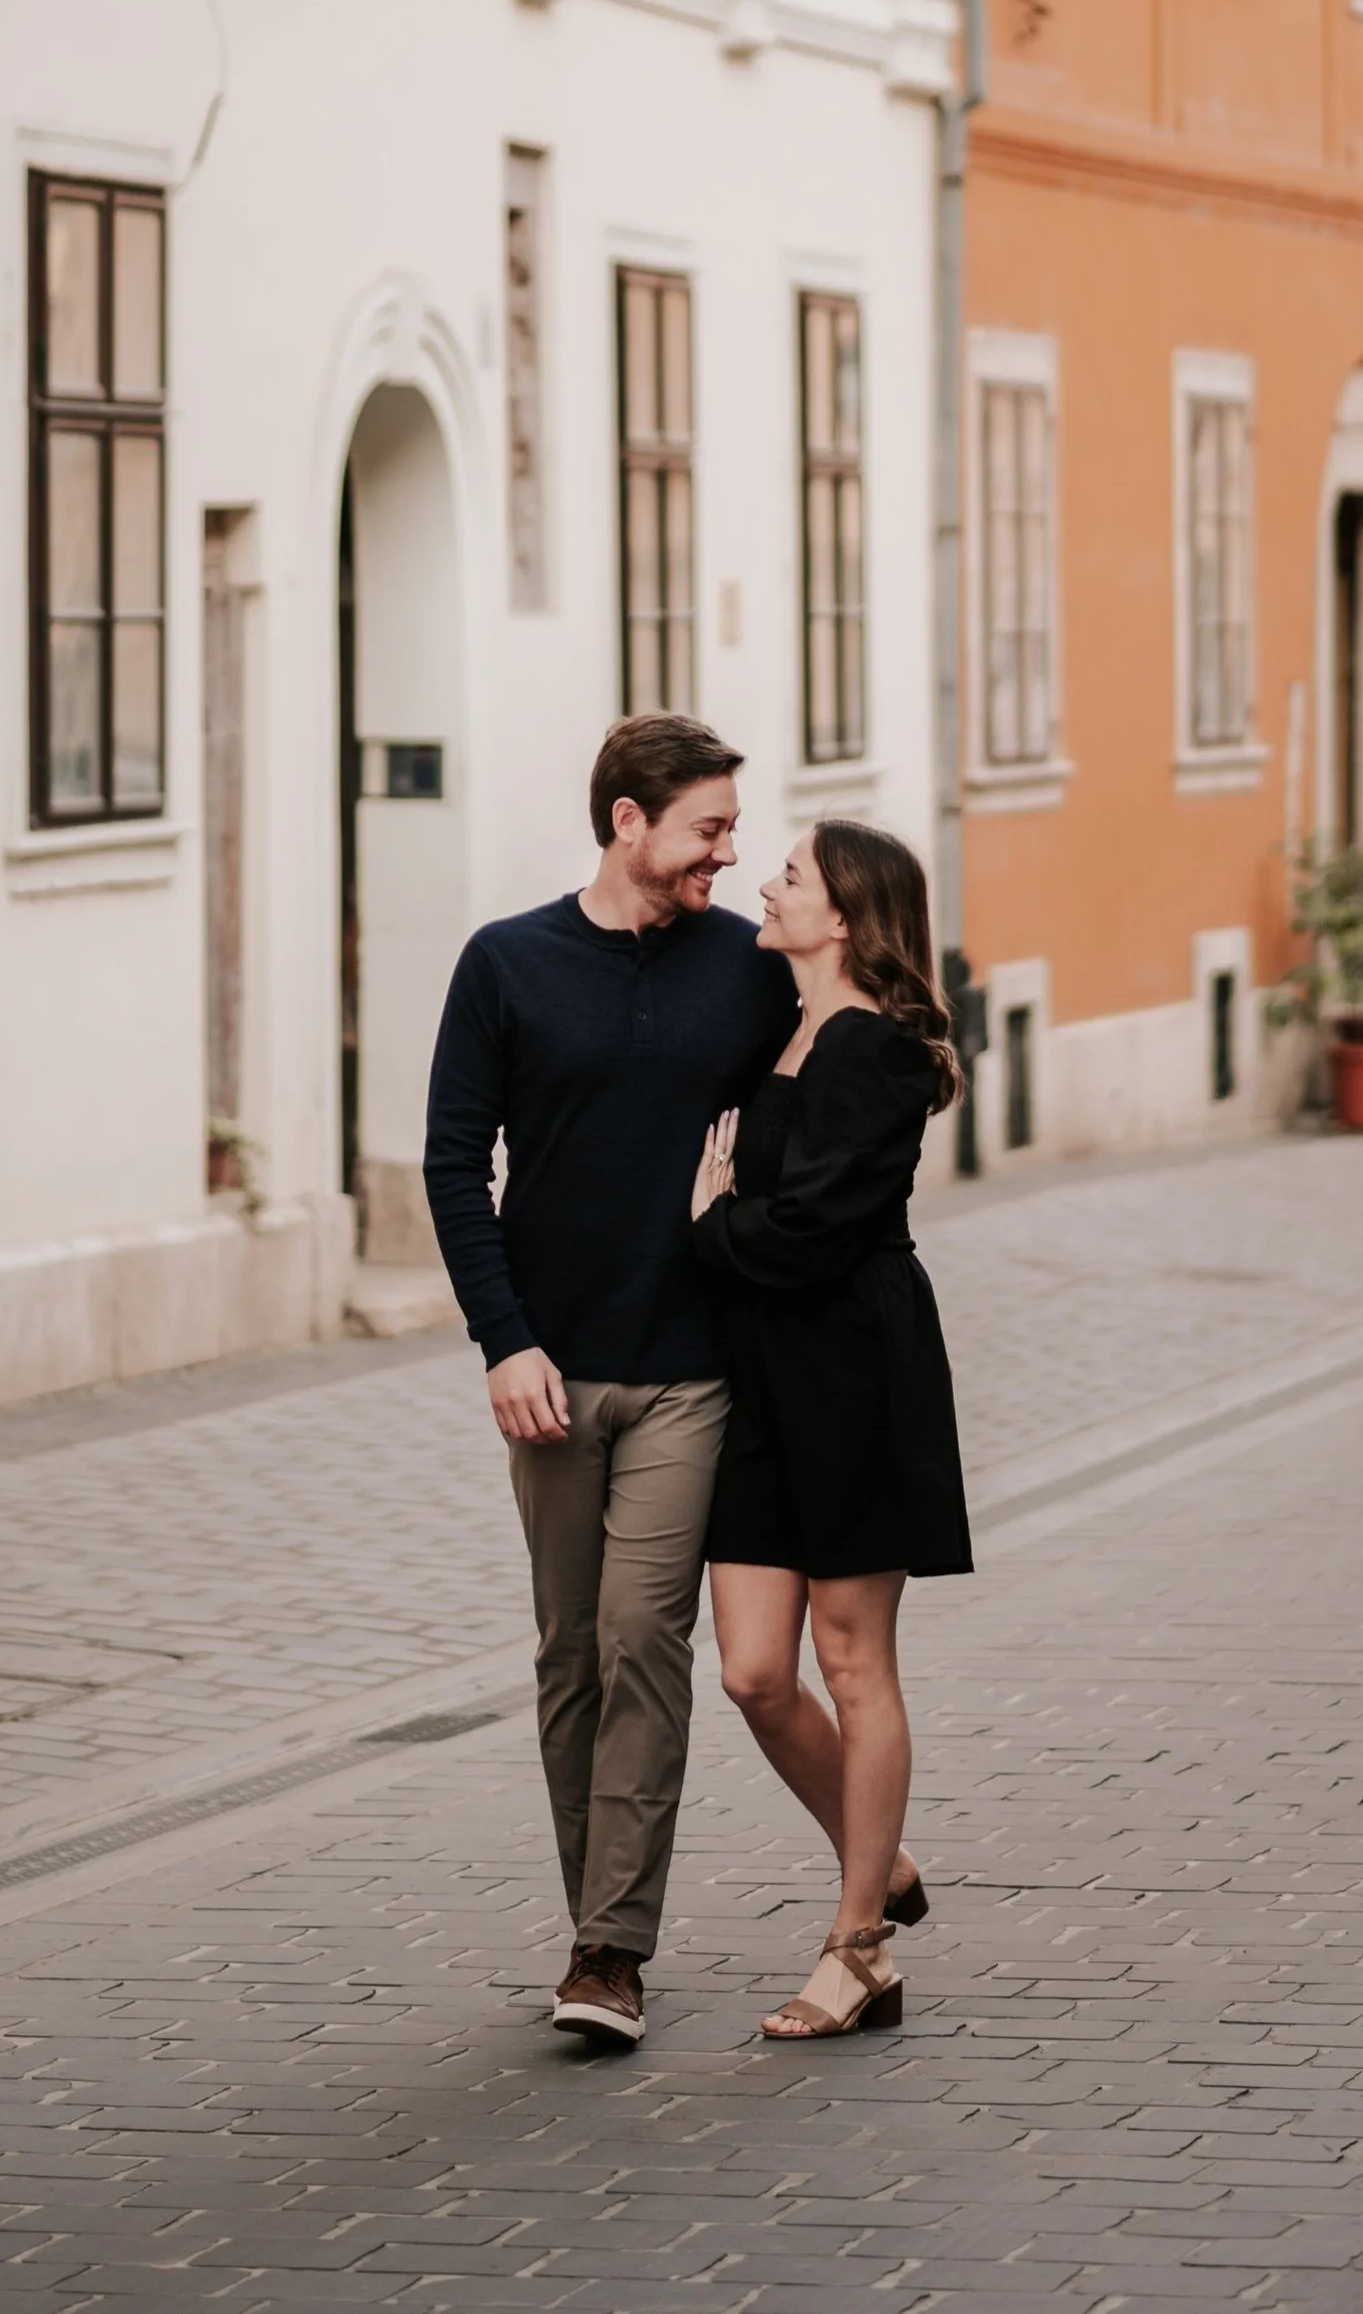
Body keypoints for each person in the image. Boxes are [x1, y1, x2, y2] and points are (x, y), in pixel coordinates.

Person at [424, 714, 797, 2047]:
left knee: (647, 1642)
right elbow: (452, 1164)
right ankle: (600, 1910)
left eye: (732, 830)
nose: (727, 852)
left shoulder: (748, 968)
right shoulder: (507, 964)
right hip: (555, 1376)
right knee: (570, 1656)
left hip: (696, 1369)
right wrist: (502, 1339)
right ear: (630, 822)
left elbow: (830, 1086)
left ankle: (609, 1950)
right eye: (708, 828)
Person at [689, 817, 971, 2040]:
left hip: (856, 1378)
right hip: (761, 1383)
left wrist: (713, 1218)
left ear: (846, 914)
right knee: (754, 1672)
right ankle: (883, 1856)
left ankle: (857, 1947)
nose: (766, 880)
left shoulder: (881, 1052)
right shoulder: (782, 1025)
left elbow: (805, 1236)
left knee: (855, 1666)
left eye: (791, 873)